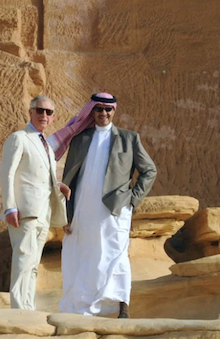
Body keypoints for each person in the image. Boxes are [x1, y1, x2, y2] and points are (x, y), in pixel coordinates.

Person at [57, 92, 157, 318]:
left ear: (114, 111)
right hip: (83, 208)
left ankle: (123, 307)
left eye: (108, 109)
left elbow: (149, 171)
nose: (103, 113)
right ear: (92, 111)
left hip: (115, 209)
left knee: (115, 255)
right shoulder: (81, 139)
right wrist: (67, 214)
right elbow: (69, 178)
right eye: (99, 109)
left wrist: (132, 199)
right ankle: (83, 307)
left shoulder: (129, 139)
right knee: (82, 253)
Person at [0, 95, 69, 310]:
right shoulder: (19, 138)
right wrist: (10, 207)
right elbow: (7, 175)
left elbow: (41, 177)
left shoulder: (45, 145)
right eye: (40, 110)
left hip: (43, 212)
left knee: (33, 264)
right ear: (30, 112)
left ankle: (27, 307)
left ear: (53, 116)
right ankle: (19, 310)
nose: (44, 115)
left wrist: (58, 185)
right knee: (23, 259)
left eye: (48, 112)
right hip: (25, 211)